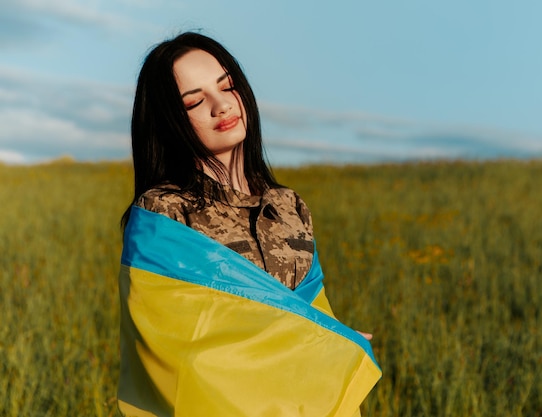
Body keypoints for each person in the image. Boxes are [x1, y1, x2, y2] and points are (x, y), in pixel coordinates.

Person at [117, 32, 381, 417]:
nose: (221, 105)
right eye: (194, 101)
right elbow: (180, 359)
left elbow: (308, 316)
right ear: (169, 120)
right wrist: (323, 347)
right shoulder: (163, 213)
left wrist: (333, 343)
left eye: (228, 86)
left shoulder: (288, 206)